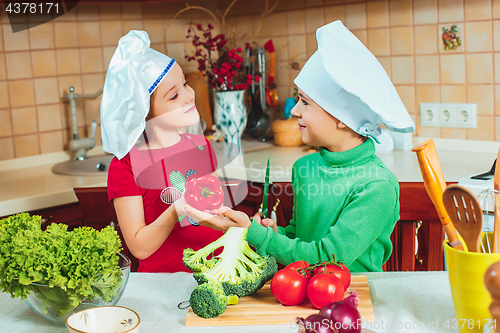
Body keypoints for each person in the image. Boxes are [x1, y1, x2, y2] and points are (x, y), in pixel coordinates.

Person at [184, 21, 415, 272]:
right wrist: (275, 232)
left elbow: (327, 258)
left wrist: (254, 234)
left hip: (353, 299)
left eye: (304, 102)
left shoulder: (376, 186)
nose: (294, 111)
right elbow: (300, 236)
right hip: (303, 290)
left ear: (341, 117)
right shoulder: (305, 167)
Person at [100, 30, 223, 273]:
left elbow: (216, 214)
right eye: (174, 95)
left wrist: (249, 227)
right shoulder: (126, 166)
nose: (189, 96)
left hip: (216, 274)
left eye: (185, 84)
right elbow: (139, 248)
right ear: (143, 112)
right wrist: (177, 209)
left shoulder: (202, 146)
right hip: (162, 288)